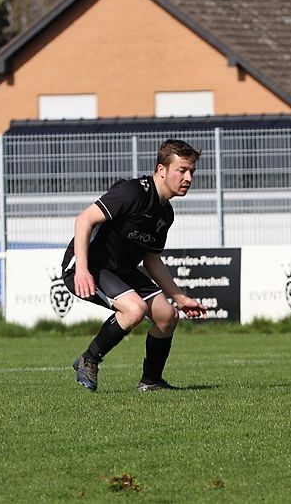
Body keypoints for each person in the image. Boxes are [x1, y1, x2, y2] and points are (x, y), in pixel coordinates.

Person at [63, 139, 207, 392]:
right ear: (161, 170)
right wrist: (82, 270)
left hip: (121, 271)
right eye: (182, 170)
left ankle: (151, 381)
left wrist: (179, 298)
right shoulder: (132, 192)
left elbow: (152, 259)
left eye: (191, 172)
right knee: (134, 310)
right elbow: (84, 220)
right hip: (90, 266)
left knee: (167, 316)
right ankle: (89, 359)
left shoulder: (165, 214)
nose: (188, 178)